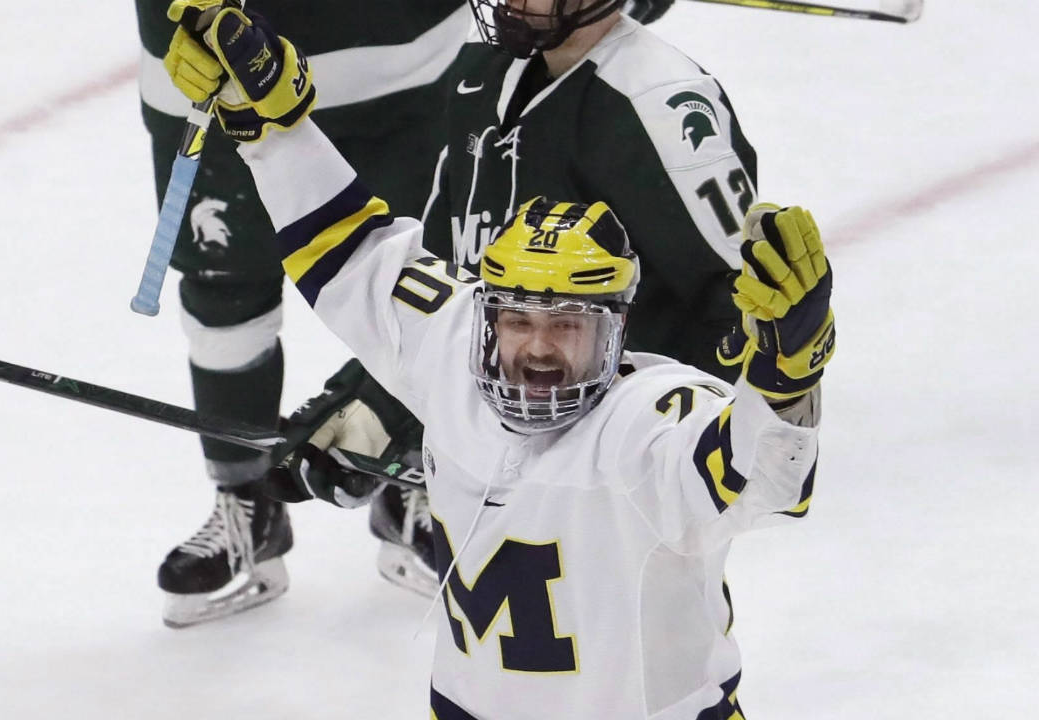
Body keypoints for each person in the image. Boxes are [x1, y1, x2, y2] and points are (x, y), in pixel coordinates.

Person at [160, 9, 833, 716]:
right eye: (519, 319)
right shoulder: (455, 336)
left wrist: (781, 378)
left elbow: (765, 468)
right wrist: (269, 128)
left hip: (636, 510)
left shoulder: (648, 419)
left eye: (569, 325)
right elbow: (365, 256)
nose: (538, 345)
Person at [135, 0, 679, 626]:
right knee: (223, 284)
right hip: (218, 63)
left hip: (410, 62)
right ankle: (243, 502)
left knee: (432, 274)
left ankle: (419, 479)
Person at [257, 0, 752, 609]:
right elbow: (449, 272)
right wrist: (375, 397)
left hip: (616, 480)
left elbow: (739, 304)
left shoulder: (656, 101)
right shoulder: (482, 68)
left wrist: (663, 454)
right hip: (506, 452)